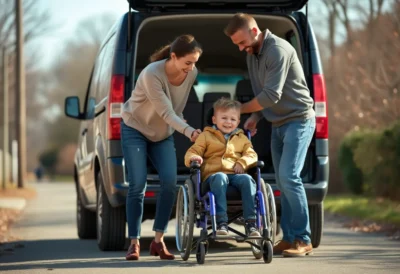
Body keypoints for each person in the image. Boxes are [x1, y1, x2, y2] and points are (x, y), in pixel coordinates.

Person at [224, 13, 316, 257]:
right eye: (237, 45)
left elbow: (270, 96)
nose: (241, 48)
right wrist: (256, 117)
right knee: (282, 182)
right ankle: (288, 238)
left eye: (242, 42)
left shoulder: (278, 50)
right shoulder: (253, 55)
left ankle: (304, 239)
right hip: (277, 124)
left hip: (299, 121)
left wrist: (237, 110)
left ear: (255, 31)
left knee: (289, 177)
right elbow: (264, 95)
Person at [121, 34, 203, 261]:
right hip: (135, 128)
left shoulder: (191, 73)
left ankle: (158, 241)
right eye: (187, 62)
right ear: (173, 57)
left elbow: (178, 108)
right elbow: (166, 111)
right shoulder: (151, 74)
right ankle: (134, 243)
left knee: (170, 183)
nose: (191, 67)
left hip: (163, 133)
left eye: (195, 62)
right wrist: (189, 132)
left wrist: (185, 128)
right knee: (138, 183)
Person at [184, 97, 259, 237]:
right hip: (213, 177)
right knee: (220, 177)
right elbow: (192, 151)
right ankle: (221, 222)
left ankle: (251, 223)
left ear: (238, 122)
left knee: (247, 180)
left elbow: (252, 154)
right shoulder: (206, 136)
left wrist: (242, 162)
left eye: (232, 119)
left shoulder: (242, 138)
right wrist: (194, 158)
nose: (228, 122)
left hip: (236, 175)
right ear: (214, 120)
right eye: (224, 118)